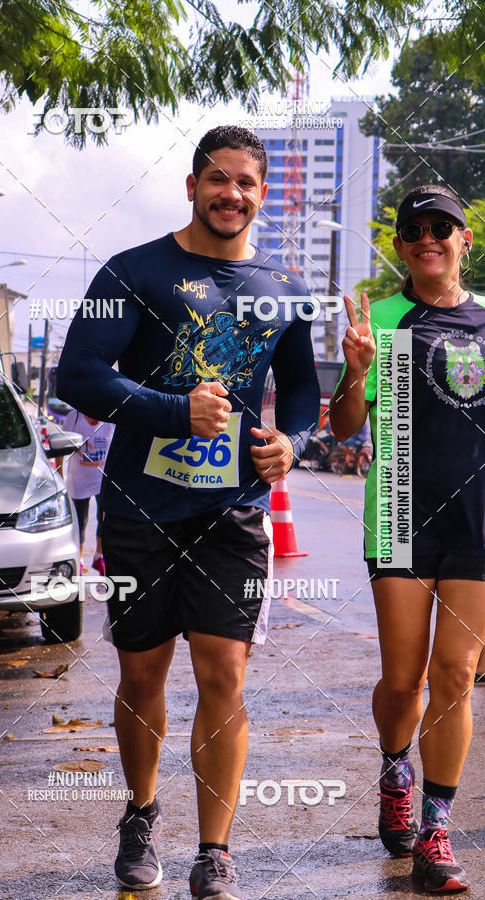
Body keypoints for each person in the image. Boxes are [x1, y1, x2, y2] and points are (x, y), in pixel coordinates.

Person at [57, 125, 320, 899]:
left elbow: (300, 390)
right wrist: (174, 411)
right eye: (217, 179)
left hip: (233, 514)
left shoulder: (284, 284)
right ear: (192, 184)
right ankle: (140, 816)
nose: (230, 194)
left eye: (245, 182)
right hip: (139, 509)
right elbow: (80, 373)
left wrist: (294, 442)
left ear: (261, 193)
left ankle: (216, 849)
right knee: (141, 675)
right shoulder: (133, 271)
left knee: (225, 676)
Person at [330, 184, 485, 894]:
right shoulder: (384, 321)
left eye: (442, 228)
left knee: (456, 676)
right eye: (415, 229)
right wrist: (357, 373)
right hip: (400, 512)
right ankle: (396, 764)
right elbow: (344, 428)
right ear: (401, 246)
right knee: (406, 679)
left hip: (477, 517)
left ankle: (435, 829)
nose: (429, 237)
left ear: (465, 241)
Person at [58, 409, 114, 574]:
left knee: (105, 519)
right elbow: (60, 447)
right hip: (78, 481)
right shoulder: (74, 418)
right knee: (81, 521)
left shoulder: (111, 419)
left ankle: (99, 557)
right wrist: (59, 475)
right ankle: (79, 560)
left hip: (102, 480)